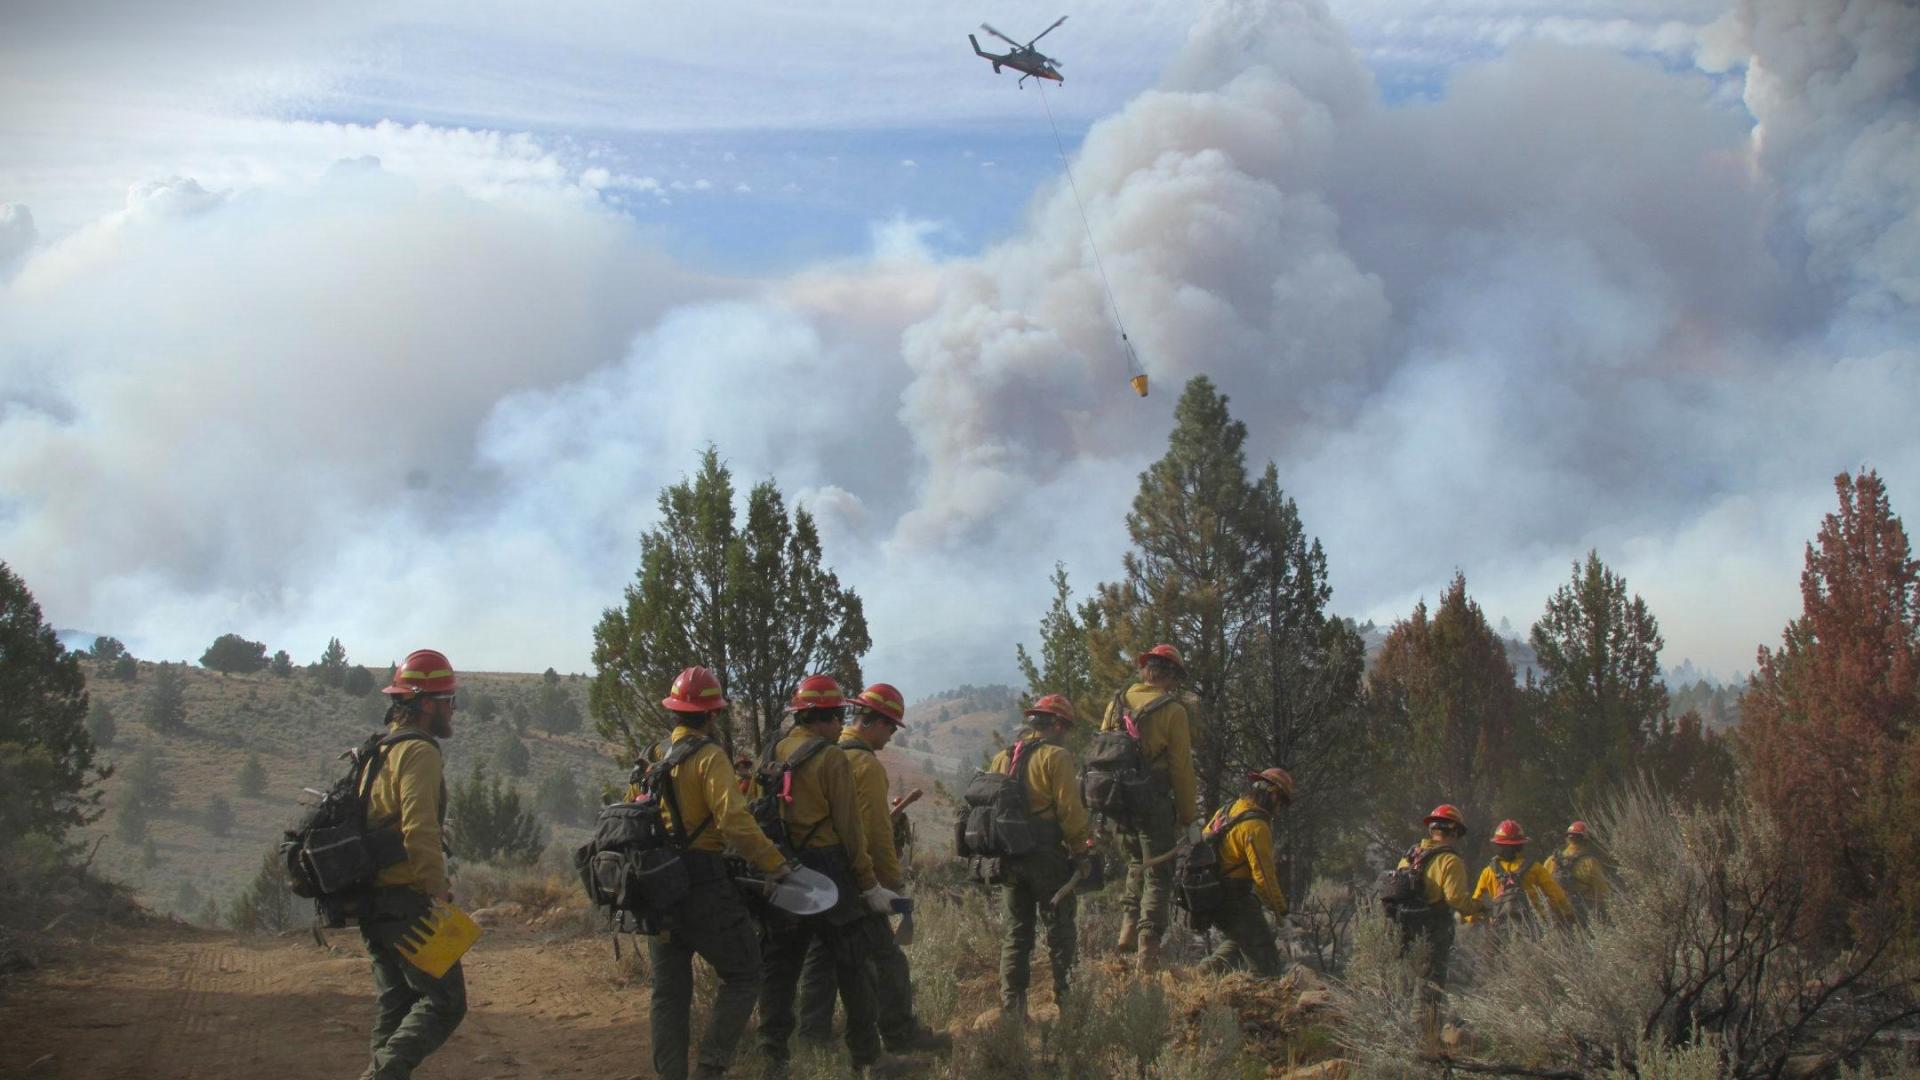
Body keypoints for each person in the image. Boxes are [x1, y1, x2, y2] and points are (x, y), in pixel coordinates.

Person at [643, 666, 795, 1080]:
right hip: (702, 884)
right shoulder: (709, 757)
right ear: (712, 715)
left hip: (658, 887)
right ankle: (710, 1068)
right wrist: (774, 865)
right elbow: (733, 821)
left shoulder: (654, 757)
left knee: (669, 993)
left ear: (675, 713)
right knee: (746, 974)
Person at [756, 675, 903, 1077]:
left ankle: (773, 1059)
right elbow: (852, 830)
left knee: (781, 968)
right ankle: (868, 1058)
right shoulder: (831, 757)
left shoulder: (775, 747)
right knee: (853, 966)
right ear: (826, 716)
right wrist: (869, 883)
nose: (842, 724)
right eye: (839, 716)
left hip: (783, 867)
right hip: (829, 870)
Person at [797, 683, 951, 1054]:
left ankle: (811, 1041)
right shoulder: (864, 764)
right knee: (886, 959)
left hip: (819, 878)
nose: (891, 736)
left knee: (821, 958)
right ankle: (900, 1036)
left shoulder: (825, 752)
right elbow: (876, 833)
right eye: (891, 728)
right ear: (875, 723)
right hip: (856, 879)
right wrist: (889, 882)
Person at [358, 650, 467, 1080]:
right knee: (445, 1003)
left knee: (396, 1005)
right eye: (448, 700)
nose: (451, 710)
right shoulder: (418, 752)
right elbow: (419, 828)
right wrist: (436, 893)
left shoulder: (377, 751)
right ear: (426, 703)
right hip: (408, 901)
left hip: (373, 901)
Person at [992, 693, 1092, 1019]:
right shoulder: (1056, 757)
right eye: (1066, 727)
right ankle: (1069, 1008)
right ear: (1059, 725)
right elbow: (1069, 809)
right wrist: (1081, 850)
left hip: (1008, 856)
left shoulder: (1002, 757)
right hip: (1046, 856)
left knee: (1017, 933)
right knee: (1060, 930)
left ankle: (1013, 1013)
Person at [1100, 644, 1198, 969]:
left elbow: (1103, 752)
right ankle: (1148, 951)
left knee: (1133, 863)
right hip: (1152, 799)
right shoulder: (1173, 711)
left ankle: (1127, 927)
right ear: (1170, 675)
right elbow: (1181, 767)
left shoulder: (1116, 702)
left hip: (1117, 799)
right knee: (1158, 872)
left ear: (1145, 670)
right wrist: (1188, 816)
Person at [1390, 805, 1484, 1021]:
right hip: (1433, 929)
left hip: (1403, 928)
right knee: (1429, 984)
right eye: (1458, 834)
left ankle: (1397, 1030)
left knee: (1403, 983)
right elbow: (1455, 898)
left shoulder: (1409, 856)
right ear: (1453, 831)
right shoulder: (1450, 860)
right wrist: (1479, 907)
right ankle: (1424, 1035)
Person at [1198, 767, 1293, 976]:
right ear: (1274, 794)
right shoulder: (1256, 826)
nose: (1280, 808)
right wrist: (1281, 913)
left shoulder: (1229, 809)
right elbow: (1264, 878)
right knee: (1263, 951)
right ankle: (1268, 999)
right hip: (1234, 896)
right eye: (1281, 802)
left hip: (1212, 893)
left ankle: (1202, 973)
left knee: (1239, 938)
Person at [1468, 819, 1573, 929]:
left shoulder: (1488, 871)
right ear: (1521, 845)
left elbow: (1475, 903)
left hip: (1499, 928)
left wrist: (1473, 920)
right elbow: (1556, 895)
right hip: (1532, 926)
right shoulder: (1535, 868)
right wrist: (1567, 914)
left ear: (1498, 845)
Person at [1543, 821, 1609, 921]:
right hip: (1583, 915)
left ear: (1567, 839)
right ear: (1586, 840)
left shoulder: (1551, 861)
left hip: (1557, 914)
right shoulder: (1590, 862)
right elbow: (1602, 891)